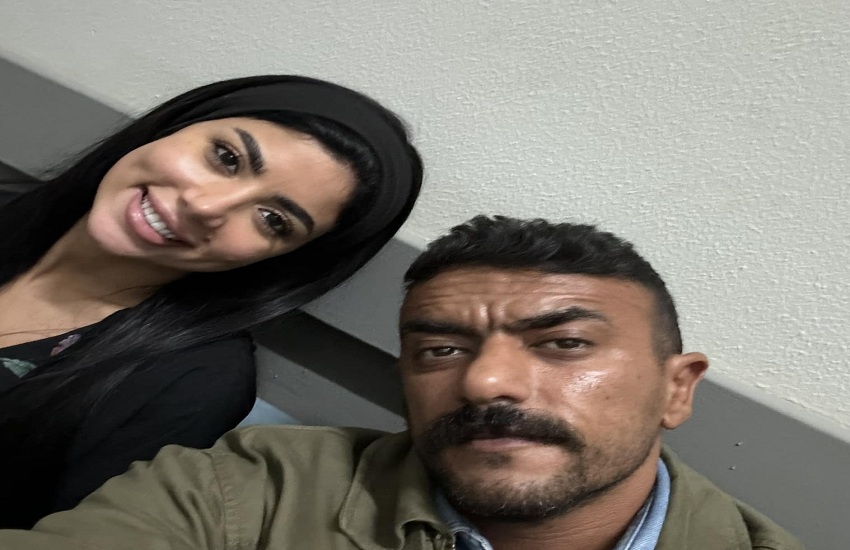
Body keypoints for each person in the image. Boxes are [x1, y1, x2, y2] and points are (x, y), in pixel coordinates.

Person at [0, 215, 804, 549]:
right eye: (441, 350)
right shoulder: (251, 490)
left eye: (562, 344)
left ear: (676, 388)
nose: (486, 381)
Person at [0, 75, 423, 528]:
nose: (206, 207)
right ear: (177, 125)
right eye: (226, 158)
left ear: (283, 260)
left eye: (272, 219)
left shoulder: (193, 385)